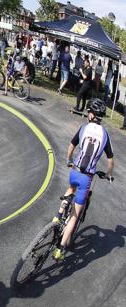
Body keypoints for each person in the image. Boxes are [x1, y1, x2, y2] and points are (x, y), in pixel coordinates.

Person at [52, 99, 115, 261]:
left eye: (89, 112)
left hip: (75, 172)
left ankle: (58, 216)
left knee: (70, 188)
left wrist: (69, 160)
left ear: (92, 115)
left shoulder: (84, 128)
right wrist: (108, 174)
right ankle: (59, 249)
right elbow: (110, 159)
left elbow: (71, 146)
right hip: (87, 178)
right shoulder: (105, 135)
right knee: (74, 216)